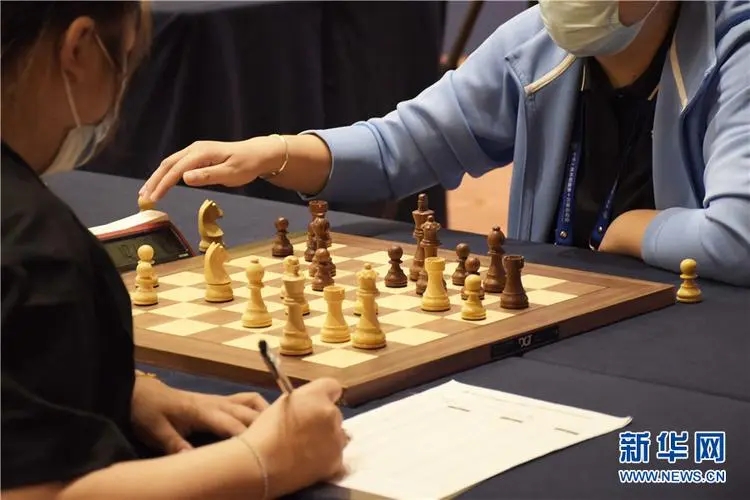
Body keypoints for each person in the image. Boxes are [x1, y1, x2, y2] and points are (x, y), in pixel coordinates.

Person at [141, 0, 750, 287]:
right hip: (574, 317)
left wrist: (634, 231)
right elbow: (402, 146)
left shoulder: (736, 45)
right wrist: (275, 152)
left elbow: (738, 237)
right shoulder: (535, 42)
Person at [1, 2, 347, 499]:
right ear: (78, 49)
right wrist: (267, 460)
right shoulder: (36, 248)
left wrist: (117, 390)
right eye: (124, 59)